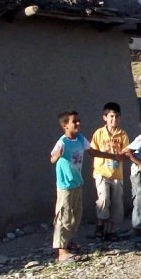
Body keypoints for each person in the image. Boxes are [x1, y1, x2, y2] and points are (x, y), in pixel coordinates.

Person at [49, 111, 91, 263]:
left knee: (76, 215)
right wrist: (58, 155)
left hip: (77, 183)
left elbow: (92, 151)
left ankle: (68, 241)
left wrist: (112, 156)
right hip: (65, 186)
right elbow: (52, 158)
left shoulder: (80, 138)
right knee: (64, 217)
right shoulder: (62, 142)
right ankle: (62, 251)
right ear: (65, 125)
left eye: (79, 120)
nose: (78, 123)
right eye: (75, 121)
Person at [89, 102, 132, 243]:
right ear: (105, 117)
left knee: (116, 202)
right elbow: (92, 151)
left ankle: (110, 231)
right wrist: (105, 153)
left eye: (117, 116)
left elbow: (126, 152)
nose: (114, 120)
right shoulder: (99, 133)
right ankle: (100, 226)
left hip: (116, 173)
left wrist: (122, 155)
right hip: (102, 171)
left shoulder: (122, 134)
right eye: (111, 116)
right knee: (104, 198)